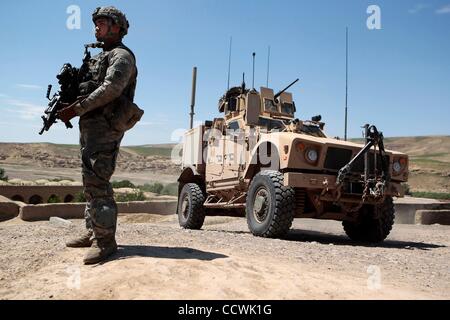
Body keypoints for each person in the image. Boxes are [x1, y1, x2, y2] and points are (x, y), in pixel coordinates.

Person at [58, 6, 138, 264]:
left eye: (102, 23)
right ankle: (93, 231)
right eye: (96, 23)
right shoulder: (100, 56)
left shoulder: (121, 57)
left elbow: (111, 88)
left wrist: (76, 109)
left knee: (98, 182)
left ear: (116, 27)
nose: (96, 27)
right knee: (89, 181)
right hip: (91, 125)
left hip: (105, 126)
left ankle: (105, 242)